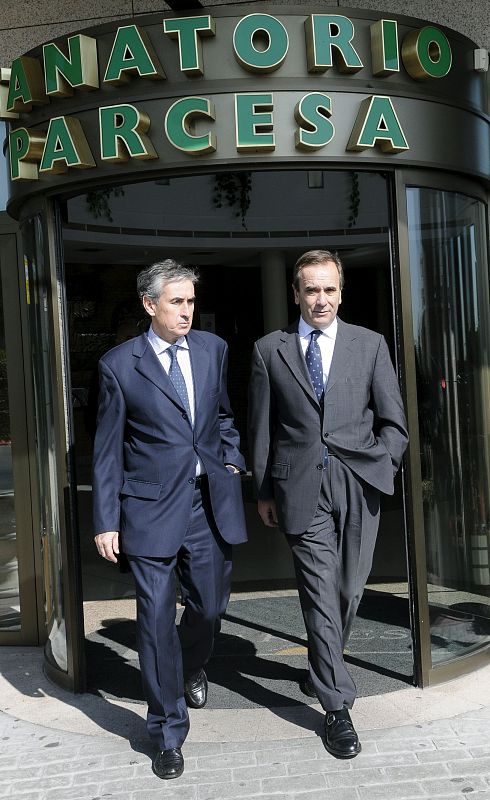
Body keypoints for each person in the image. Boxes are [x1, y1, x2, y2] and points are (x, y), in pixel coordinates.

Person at [247, 249, 408, 760]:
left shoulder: (370, 344)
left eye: (329, 289)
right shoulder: (270, 350)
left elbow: (394, 421)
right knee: (318, 591)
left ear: (341, 292)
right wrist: (264, 490)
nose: (321, 299)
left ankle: (323, 662)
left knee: (349, 589)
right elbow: (261, 428)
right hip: (299, 488)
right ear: (296, 293)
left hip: (359, 482)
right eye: (311, 289)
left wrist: (383, 464)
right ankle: (337, 707)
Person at [92, 259, 247, 780]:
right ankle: (166, 732)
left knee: (210, 606)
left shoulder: (212, 350)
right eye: (176, 301)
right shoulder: (119, 365)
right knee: (155, 622)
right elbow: (107, 450)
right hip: (149, 511)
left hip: (207, 505)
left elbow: (224, 417)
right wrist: (106, 520)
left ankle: (190, 666)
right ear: (149, 304)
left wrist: (231, 461)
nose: (187, 311)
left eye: (191, 301)